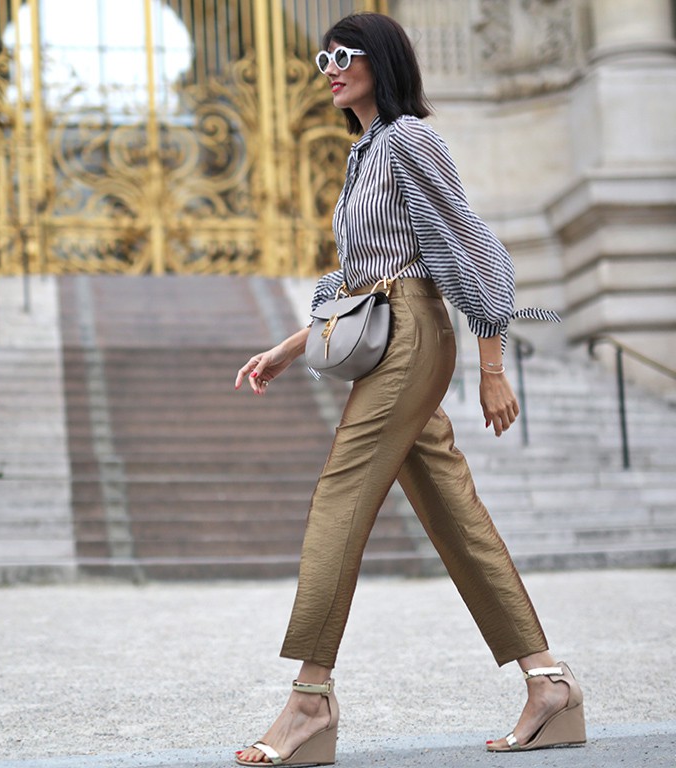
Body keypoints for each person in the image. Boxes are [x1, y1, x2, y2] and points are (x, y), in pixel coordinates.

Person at [232, 12, 583, 767]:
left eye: (344, 55)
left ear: (381, 62)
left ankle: (308, 699)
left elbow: (474, 249)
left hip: (415, 336)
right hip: (389, 330)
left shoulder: (408, 139)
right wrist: (293, 346)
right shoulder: (366, 152)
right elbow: (364, 275)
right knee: (452, 509)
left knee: (341, 491)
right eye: (322, 56)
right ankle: (547, 681)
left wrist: (492, 367)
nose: (329, 67)